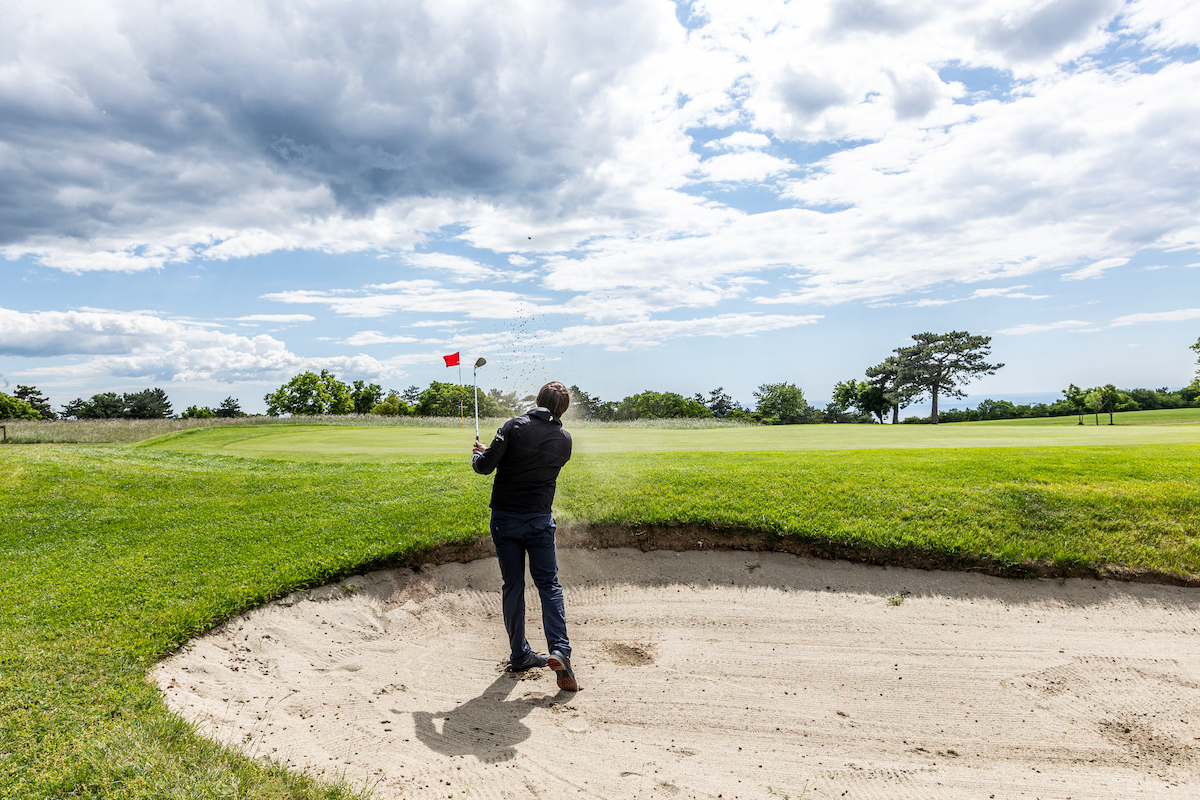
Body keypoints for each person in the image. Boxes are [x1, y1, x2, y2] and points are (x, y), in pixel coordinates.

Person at [471, 381, 578, 692]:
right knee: (549, 585)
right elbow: (531, 462)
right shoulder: (564, 439)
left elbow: (486, 467)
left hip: (505, 520)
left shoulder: (515, 425)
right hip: (539, 520)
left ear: (538, 399)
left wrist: (479, 456)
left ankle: (520, 655)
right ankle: (560, 649)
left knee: (513, 586)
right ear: (563, 409)